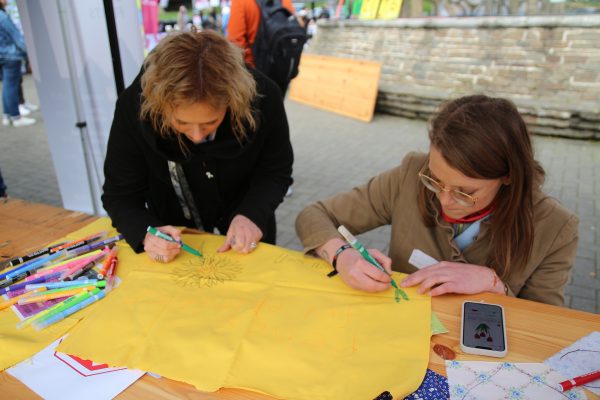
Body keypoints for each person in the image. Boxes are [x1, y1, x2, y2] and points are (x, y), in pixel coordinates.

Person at [295, 95, 578, 306]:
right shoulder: (410, 174)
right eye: (435, 180)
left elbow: (546, 323)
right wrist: (342, 256)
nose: (444, 200)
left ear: (508, 177)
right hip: (396, 335)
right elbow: (313, 215)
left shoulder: (554, 227)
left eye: (465, 192)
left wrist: (496, 286)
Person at [102, 30, 293, 264]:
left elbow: (275, 172)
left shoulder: (264, 97)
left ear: (233, 100)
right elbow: (119, 195)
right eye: (181, 123)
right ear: (159, 105)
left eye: (210, 122)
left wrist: (252, 215)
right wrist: (146, 231)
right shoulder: (133, 107)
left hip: (246, 235)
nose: (196, 136)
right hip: (175, 244)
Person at [227, 0, 298, 95]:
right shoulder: (284, 1)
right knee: (277, 107)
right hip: (282, 70)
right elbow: (295, 26)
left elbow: (235, 42)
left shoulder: (240, 2)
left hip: (255, 76)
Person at [0, 0, 35, 127]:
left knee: (7, 86)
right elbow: (17, 37)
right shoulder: (3, 17)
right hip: (10, 55)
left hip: (3, 55)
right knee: (11, 86)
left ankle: (7, 115)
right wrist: (28, 54)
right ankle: (15, 117)